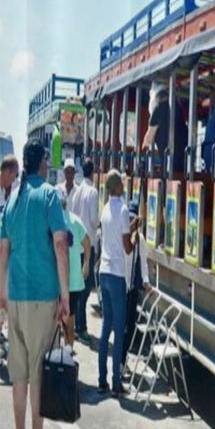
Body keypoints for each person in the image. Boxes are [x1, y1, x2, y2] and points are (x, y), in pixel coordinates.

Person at [0, 139, 69, 429]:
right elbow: (60, 243)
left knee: (19, 375)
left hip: (14, 296)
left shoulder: (13, 197)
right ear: (43, 161)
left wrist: (1, 292)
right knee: (39, 373)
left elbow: (3, 251)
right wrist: (66, 295)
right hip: (42, 297)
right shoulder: (49, 195)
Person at [97, 170, 133, 397]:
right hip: (118, 273)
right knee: (119, 330)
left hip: (103, 272)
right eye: (121, 181)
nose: (124, 183)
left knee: (105, 327)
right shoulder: (123, 210)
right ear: (116, 186)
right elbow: (127, 247)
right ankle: (116, 382)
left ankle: (102, 380)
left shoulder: (105, 209)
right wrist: (135, 229)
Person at [57, 187, 91, 350]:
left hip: (58, 282)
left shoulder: (51, 222)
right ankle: (67, 355)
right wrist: (86, 263)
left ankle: (60, 356)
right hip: (74, 282)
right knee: (69, 321)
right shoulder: (76, 220)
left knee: (58, 323)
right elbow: (87, 243)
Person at [71, 158, 99, 342]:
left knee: (78, 287)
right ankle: (81, 328)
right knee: (85, 290)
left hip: (77, 245)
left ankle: (75, 325)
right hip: (88, 244)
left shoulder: (77, 190)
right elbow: (94, 219)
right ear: (93, 173)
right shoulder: (93, 192)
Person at [123, 202, 152, 358]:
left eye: (133, 219)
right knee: (120, 326)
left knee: (130, 325)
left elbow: (143, 262)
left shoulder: (140, 239)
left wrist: (146, 282)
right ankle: (120, 360)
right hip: (120, 285)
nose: (131, 222)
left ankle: (123, 359)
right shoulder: (121, 234)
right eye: (129, 219)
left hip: (131, 287)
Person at [142, 81, 188, 174]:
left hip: (169, 162)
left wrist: (143, 146)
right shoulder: (177, 107)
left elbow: (148, 140)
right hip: (183, 160)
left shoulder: (158, 109)